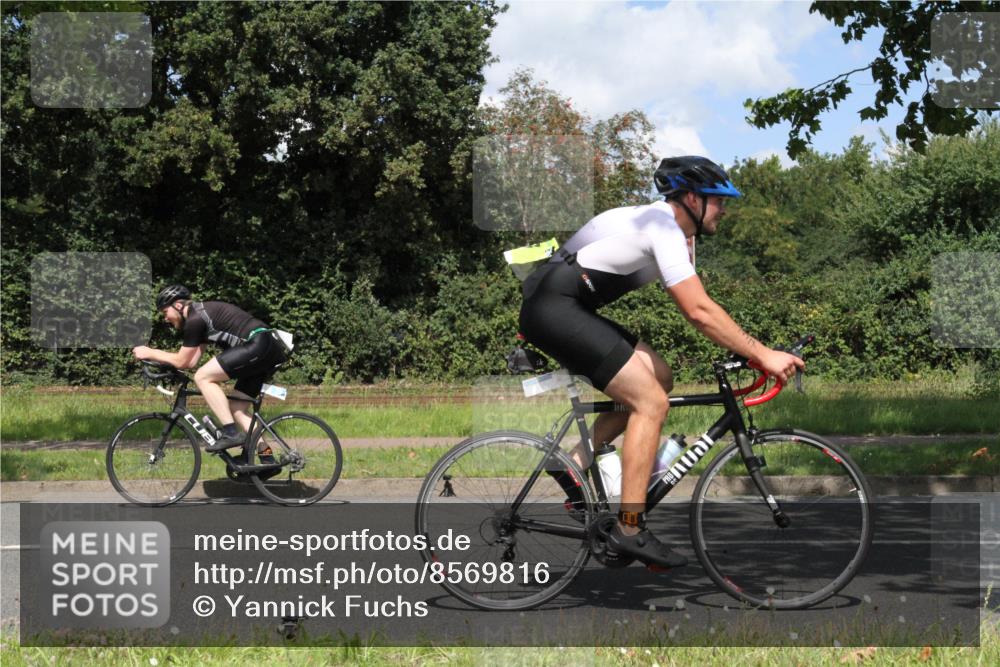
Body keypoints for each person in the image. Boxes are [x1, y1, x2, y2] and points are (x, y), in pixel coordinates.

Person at [519, 156, 804, 568]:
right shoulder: (662, 227)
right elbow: (699, 312)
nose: (725, 209)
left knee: (660, 377)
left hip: (567, 304)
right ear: (692, 198)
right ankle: (630, 528)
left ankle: (575, 463)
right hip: (555, 307)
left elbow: (702, 308)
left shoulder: (676, 235)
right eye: (719, 200)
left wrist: (745, 349)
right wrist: (761, 354)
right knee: (650, 402)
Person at [132, 285, 288, 458]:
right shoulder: (200, 318)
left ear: (177, 306)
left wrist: (149, 352)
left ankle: (230, 432)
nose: (165, 318)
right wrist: (160, 362)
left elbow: (182, 360)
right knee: (237, 408)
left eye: (165, 312)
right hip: (265, 348)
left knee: (203, 377)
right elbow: (190, 362)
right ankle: (267, 458)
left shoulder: (195, 318)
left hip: (257, 344)